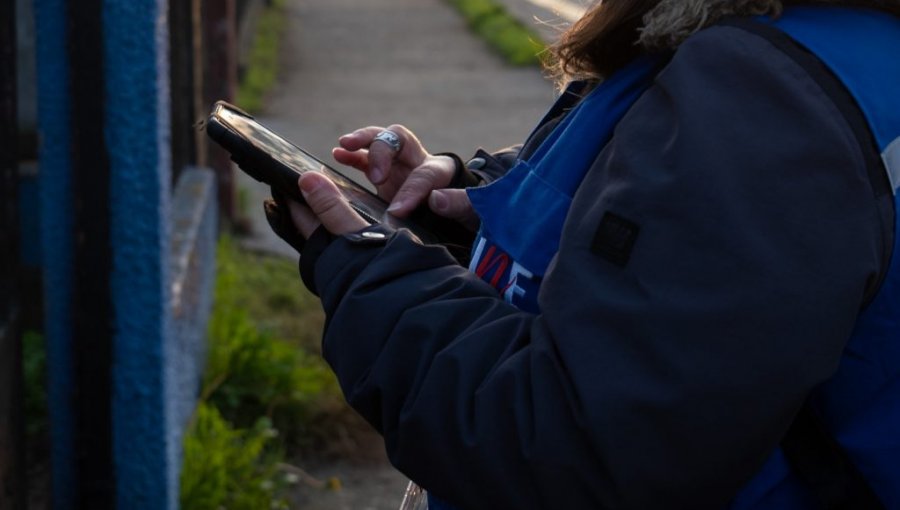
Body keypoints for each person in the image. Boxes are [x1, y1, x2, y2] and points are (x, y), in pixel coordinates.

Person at [263, 0, 900, 508]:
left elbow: (576, 451)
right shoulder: (803, 47)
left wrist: (371, 270)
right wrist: (476, 205)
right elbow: (671, 255)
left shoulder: (764, 91)